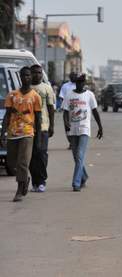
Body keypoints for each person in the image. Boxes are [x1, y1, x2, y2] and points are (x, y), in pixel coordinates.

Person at [0, 67, 42, 202]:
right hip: (13, 133)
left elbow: (38, 117)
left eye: (28, 75)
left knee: (23, 162)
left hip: (27, 133)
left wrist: (39, 137)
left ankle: (19, 190)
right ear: (20, 77)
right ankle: (25, 179)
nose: (26, 78)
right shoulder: (12, 95)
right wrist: (2, 134)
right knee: (12, 163)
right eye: (23, 76)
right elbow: (7, 115)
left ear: (31, 77)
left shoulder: (35, 96)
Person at [62, 73, 103, 192]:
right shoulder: (69, 95)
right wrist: (66, 124)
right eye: (78, 82)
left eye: (82, 82)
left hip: (84, 129)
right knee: (76, 157)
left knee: (80, 155)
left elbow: (95, 111)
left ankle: (76, 183)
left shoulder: (89, 95)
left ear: (84, 83)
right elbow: (65, 112)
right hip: (72, 130)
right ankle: (84, 176)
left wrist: (100, 127)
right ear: (76, 83)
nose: (80, 84)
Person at [29, 64, 55, 193]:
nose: (37, 75)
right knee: (31, 156)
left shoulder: (47, 88)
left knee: (41, 153)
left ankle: (42, 181)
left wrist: (52, 126)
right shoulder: (26, 88)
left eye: (39, 72)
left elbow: (51, 108)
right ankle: (34, 182)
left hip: (44, 126)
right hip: (28, 128)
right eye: (34, 72)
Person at [59, 72, 77, 149]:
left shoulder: (78, 85)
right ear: (69, 77)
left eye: (75, 76)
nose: (74, 77)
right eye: (72, 76)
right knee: (67, 127)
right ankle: (71, 142)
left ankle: (75, 143)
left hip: (77, 110)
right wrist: (66, 105)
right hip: (67, 110)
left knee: (76, 127)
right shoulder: (65, 86)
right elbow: (62, 96)